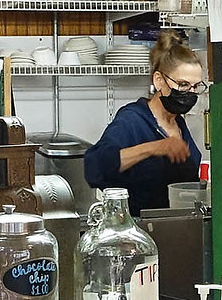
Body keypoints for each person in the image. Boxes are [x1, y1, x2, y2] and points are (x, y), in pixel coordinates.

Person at [83, 32, 205, 213]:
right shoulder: (132, 120)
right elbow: (95, 168)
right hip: (139, 226)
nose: (190, 93)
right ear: (159, 80)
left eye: (196, 86)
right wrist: (154, 148)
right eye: (183, 84)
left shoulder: (179, 123)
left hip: (178, 224)